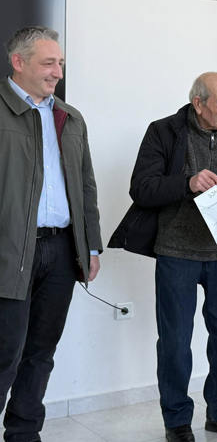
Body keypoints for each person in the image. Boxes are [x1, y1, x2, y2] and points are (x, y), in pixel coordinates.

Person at [109, 72, 217, 442]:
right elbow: (142, 188)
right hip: (177, 254)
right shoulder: (163, 132)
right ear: (199, 103)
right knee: (176, 342)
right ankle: (177, 420)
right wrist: (188, 183)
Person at [0, 26, 103, 442]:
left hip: (62, 251)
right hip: (9, 253)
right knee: (4, 354)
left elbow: (86, 187)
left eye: (60, 63)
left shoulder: (70, 117)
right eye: (48, 63)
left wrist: (90, 246)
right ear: (18, 62)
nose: (57, 72)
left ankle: (24, 434)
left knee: (41, 352)